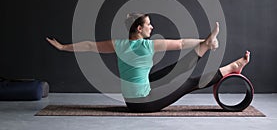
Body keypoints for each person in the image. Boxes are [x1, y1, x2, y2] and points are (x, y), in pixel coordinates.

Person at [47, 13, 250, 112]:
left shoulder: (118, 44)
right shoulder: (147, 46)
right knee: (189, 82)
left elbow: (90, 46)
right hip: (143, 104)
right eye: (148, 25)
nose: (151, 27)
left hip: (129, 99)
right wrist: (203, 42)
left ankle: (209, 46)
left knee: (171, 70)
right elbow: (179, 44)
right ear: (138, 29)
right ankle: (230, 67)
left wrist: (64, 47)